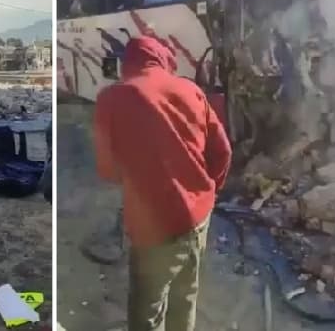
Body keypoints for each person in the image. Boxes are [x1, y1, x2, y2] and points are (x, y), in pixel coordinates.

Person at [92, 36, 232, 331]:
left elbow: (107, 170)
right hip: (199, 219)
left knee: (147, 312)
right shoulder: (192, 90)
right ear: (163, 59)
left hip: (155, 228)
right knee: (186, 295)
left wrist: (135, 176)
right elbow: (223, 152)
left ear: (127, 64)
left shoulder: (111, 99)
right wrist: (207, 192)